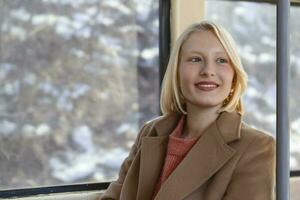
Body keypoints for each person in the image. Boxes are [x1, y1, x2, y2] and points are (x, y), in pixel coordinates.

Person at [99, 21, 275, 200]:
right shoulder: (150, 132)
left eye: (221, 60)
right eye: (195, 59)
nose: (208, 71)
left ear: (234, 75)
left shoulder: (256, 147)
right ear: (177, 72)